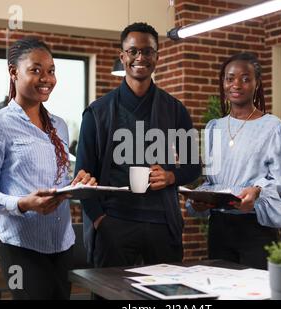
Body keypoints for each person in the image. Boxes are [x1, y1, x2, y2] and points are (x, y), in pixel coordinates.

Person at [0, 37, 95, 300]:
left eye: (51, 71)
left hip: (62, 245)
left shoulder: (59, 125)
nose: (46, 78)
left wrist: (77, 184)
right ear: (13, 72)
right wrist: (23, 204)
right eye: (35, 70)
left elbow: (57, 183)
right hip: (20, 247)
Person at [75, 22, 201, 268]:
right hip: (114, 222)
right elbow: (82, 177)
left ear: (157, 57)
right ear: (122, 56)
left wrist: (171, 176)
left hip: (162, 224)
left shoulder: (175, 110)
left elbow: (193, 166)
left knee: (166, 298)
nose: (140, 57)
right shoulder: (97, 113)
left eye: (147, 51)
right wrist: (100, 219)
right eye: (133, 51)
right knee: (110, 296)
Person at [186, 52, 281, 270]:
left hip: (256, 228)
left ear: (257, 83)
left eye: (245, 78)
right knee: (218, 289)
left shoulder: (272, 127)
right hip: (219, 228)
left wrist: (257, 191)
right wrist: (200, 199)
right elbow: (211, 179)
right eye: (230, 78)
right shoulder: (213, 127)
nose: (236, 84)